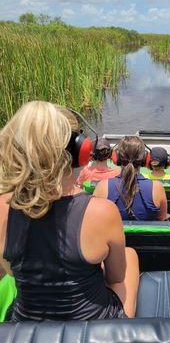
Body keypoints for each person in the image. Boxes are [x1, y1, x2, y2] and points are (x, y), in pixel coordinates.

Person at [0, 101, 139, 321]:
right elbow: (115, 276)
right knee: (129, 256)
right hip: (93, 327)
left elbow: (5, 271)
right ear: (80, 151)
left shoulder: (2, 208)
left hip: (26, 325)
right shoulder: (102, 212)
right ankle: (123, 328)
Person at [94, 136, 167, 221]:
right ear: (145, 159)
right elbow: (162, 219)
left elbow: (96, 219)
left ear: (117, 158)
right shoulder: (157, 188)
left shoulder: (102, 187)